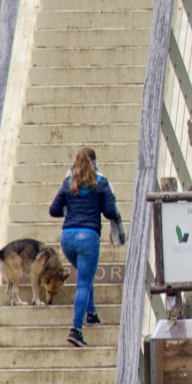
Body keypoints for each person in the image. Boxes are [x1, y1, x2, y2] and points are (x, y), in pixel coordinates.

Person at [49, 147, 125, 348]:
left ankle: (91, 313)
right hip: (88, 237)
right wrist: (96, 207)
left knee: (85, 275)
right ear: (95, 163)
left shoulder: (68, 183)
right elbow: (110, 212)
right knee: (83, 282)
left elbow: (54, 210)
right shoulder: (101, 183)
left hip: (67, 239)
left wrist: (71, 209)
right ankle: (76, 330)